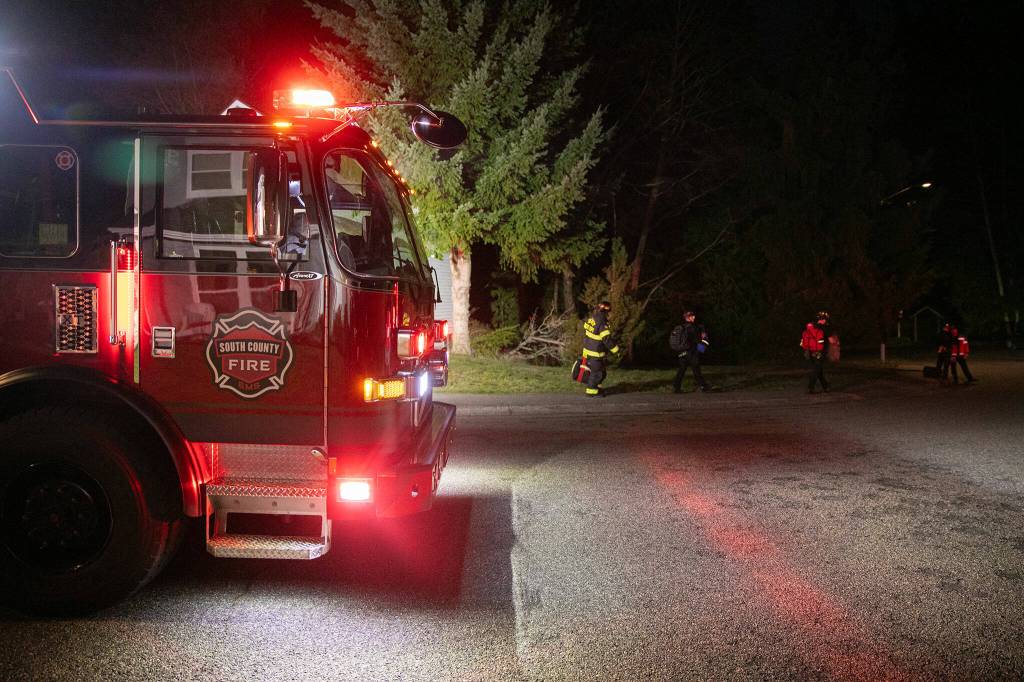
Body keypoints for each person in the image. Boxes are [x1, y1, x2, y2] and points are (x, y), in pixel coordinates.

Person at [581, 301, 620, 397]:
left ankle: (597, 388)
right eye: (609, 312)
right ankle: (591, 392)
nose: (610, 314)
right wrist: (616, 350)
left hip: (588, 350)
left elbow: (586, 328)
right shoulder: (602, 322)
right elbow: (607, 339)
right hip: (595, 353)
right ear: (606, 312)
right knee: (597, 373)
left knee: (601, 372)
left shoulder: (592, 318)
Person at [671, 311, 711, 393]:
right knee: (696, 369)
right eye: (691, 316)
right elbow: (698, 341)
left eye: (693, 316)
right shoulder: (695, 327)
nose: (694, 317)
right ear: (687, 318)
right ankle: (704, 386)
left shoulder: (681, 327)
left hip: (682, 352)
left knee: (681, 370)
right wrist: (702, 350)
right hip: (691, 352)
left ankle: (676, 387)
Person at [801, 311, 831, 393]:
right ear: (821, 320)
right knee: (816, 369)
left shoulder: (808, 328)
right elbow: (827, 340)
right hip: (819, 351)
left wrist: (806, 349)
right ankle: (811, 387)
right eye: (824, 320)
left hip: (810, 351)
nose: (826, 321)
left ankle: (825, 386)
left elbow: (805, 339)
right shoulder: (822, 329)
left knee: (818, 369)